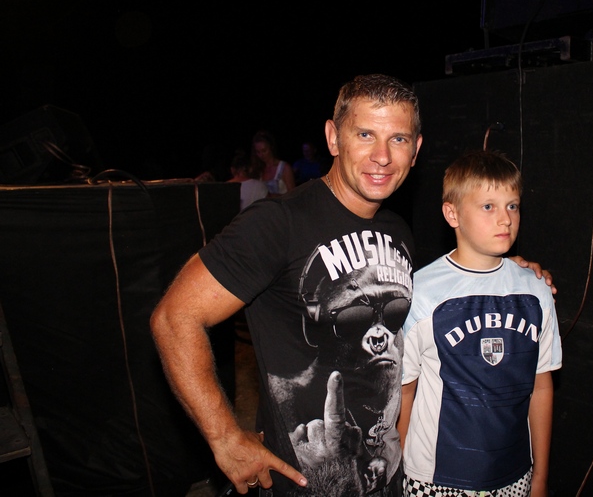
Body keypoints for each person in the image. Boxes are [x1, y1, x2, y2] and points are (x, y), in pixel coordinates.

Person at [150, 74, 555, 497]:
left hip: (388, 478)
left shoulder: (397, 230)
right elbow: (175, 317)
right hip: (303, 484)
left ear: (416, 150)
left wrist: (507, 270)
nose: (382, 156)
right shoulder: (277, 223)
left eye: (398, 139)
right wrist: (224, 437)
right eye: (365, 134)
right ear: (333, 138)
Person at [397, 150, 562, 497]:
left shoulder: (536, 290)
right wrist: (396, 476)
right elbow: (404, 391)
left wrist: (541, 477)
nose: (505, 219)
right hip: (435, 478)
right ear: (452, 213)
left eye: (512, 206)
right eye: (488, 206)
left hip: (514, 474)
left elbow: (542, 386)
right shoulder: (421, 291)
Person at [251, 129, 296, 196]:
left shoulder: (284, 168)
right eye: (258, 152)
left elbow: (293, 195)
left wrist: (273, 197)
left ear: (271, 147)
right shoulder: (258, 170)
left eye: (264, 151)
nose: (261, 155)